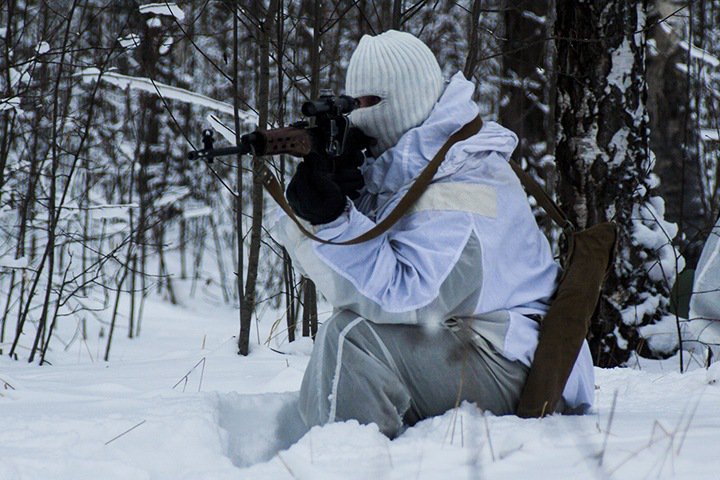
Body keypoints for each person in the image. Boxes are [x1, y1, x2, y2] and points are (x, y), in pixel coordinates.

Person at [274, 30, 594, 438]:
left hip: (522, 369)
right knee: (352, 334)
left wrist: (334, 219)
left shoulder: (463, 179)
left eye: (366, 110)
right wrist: (329, 200)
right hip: (478, 345)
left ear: (395, 106)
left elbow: (407, 297)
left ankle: (345, 461)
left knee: (352, 340)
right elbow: (364, 273)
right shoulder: (426, 162)